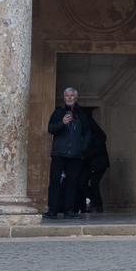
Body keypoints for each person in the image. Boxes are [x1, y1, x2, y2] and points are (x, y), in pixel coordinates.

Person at [46, 87, 91, 219]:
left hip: (75, 155)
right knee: (55, 181)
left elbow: (88, 132)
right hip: (59, 153)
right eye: (67, 96)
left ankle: (69, 210)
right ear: (64, 98)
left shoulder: (82, 114)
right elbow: (50, 129)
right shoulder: (58, 112)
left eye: (72, 96)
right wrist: (62, 123)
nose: (69, 98)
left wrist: (83, 148)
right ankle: (52, 210)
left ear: (76, 98)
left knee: (72, 182)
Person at [80, 110, 109, 215]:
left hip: (97, 164)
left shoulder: (96, 135)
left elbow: (96, 150)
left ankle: (97, 205)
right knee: (83, 183)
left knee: (93, 184)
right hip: (92, 163)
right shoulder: (90, 133)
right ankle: (94, 203)